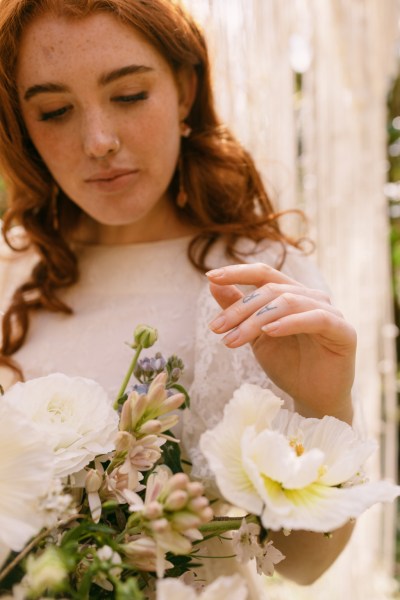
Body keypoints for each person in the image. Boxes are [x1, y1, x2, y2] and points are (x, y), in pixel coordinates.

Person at [0, 0, 357, 596]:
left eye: (130, 95)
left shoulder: (260, 278)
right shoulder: (10, 273)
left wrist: (325, 403)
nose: (98, 141)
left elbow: (302, 564)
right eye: (55, 111)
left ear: (185, 90)